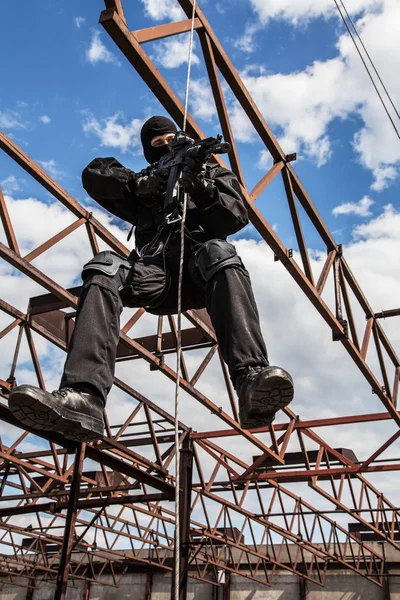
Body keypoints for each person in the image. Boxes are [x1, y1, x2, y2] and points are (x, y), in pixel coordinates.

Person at [8, 116, 294, 442]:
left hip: (202, 271)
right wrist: (143, 184)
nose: (166, 147)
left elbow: (235, 216)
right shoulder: (145, 184)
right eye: (158, 146)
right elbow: (94, 175)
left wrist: (199, 185)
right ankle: (84, 396)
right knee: (105, 266)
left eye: (171, 141)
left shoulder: (212, 173)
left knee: (219, 251)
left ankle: (249, 378)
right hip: (156, 277)